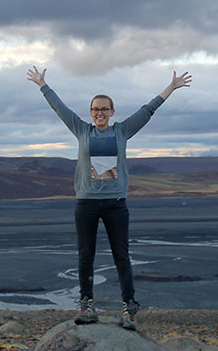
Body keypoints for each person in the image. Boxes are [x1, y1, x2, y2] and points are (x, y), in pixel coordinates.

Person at [27, 65, 192, 329]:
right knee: (85, 256)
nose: (100, 113)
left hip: (116, 205)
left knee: (121, 256)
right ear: (90, 113)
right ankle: (87, 305)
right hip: (86, 204)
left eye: (104, 109)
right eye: (95, 109)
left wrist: (171, 87)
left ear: (112, 112)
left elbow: (147, 110)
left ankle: (129, 309)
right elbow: (60, 109)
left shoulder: (122, 131)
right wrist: (42, 85)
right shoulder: (82, 130)